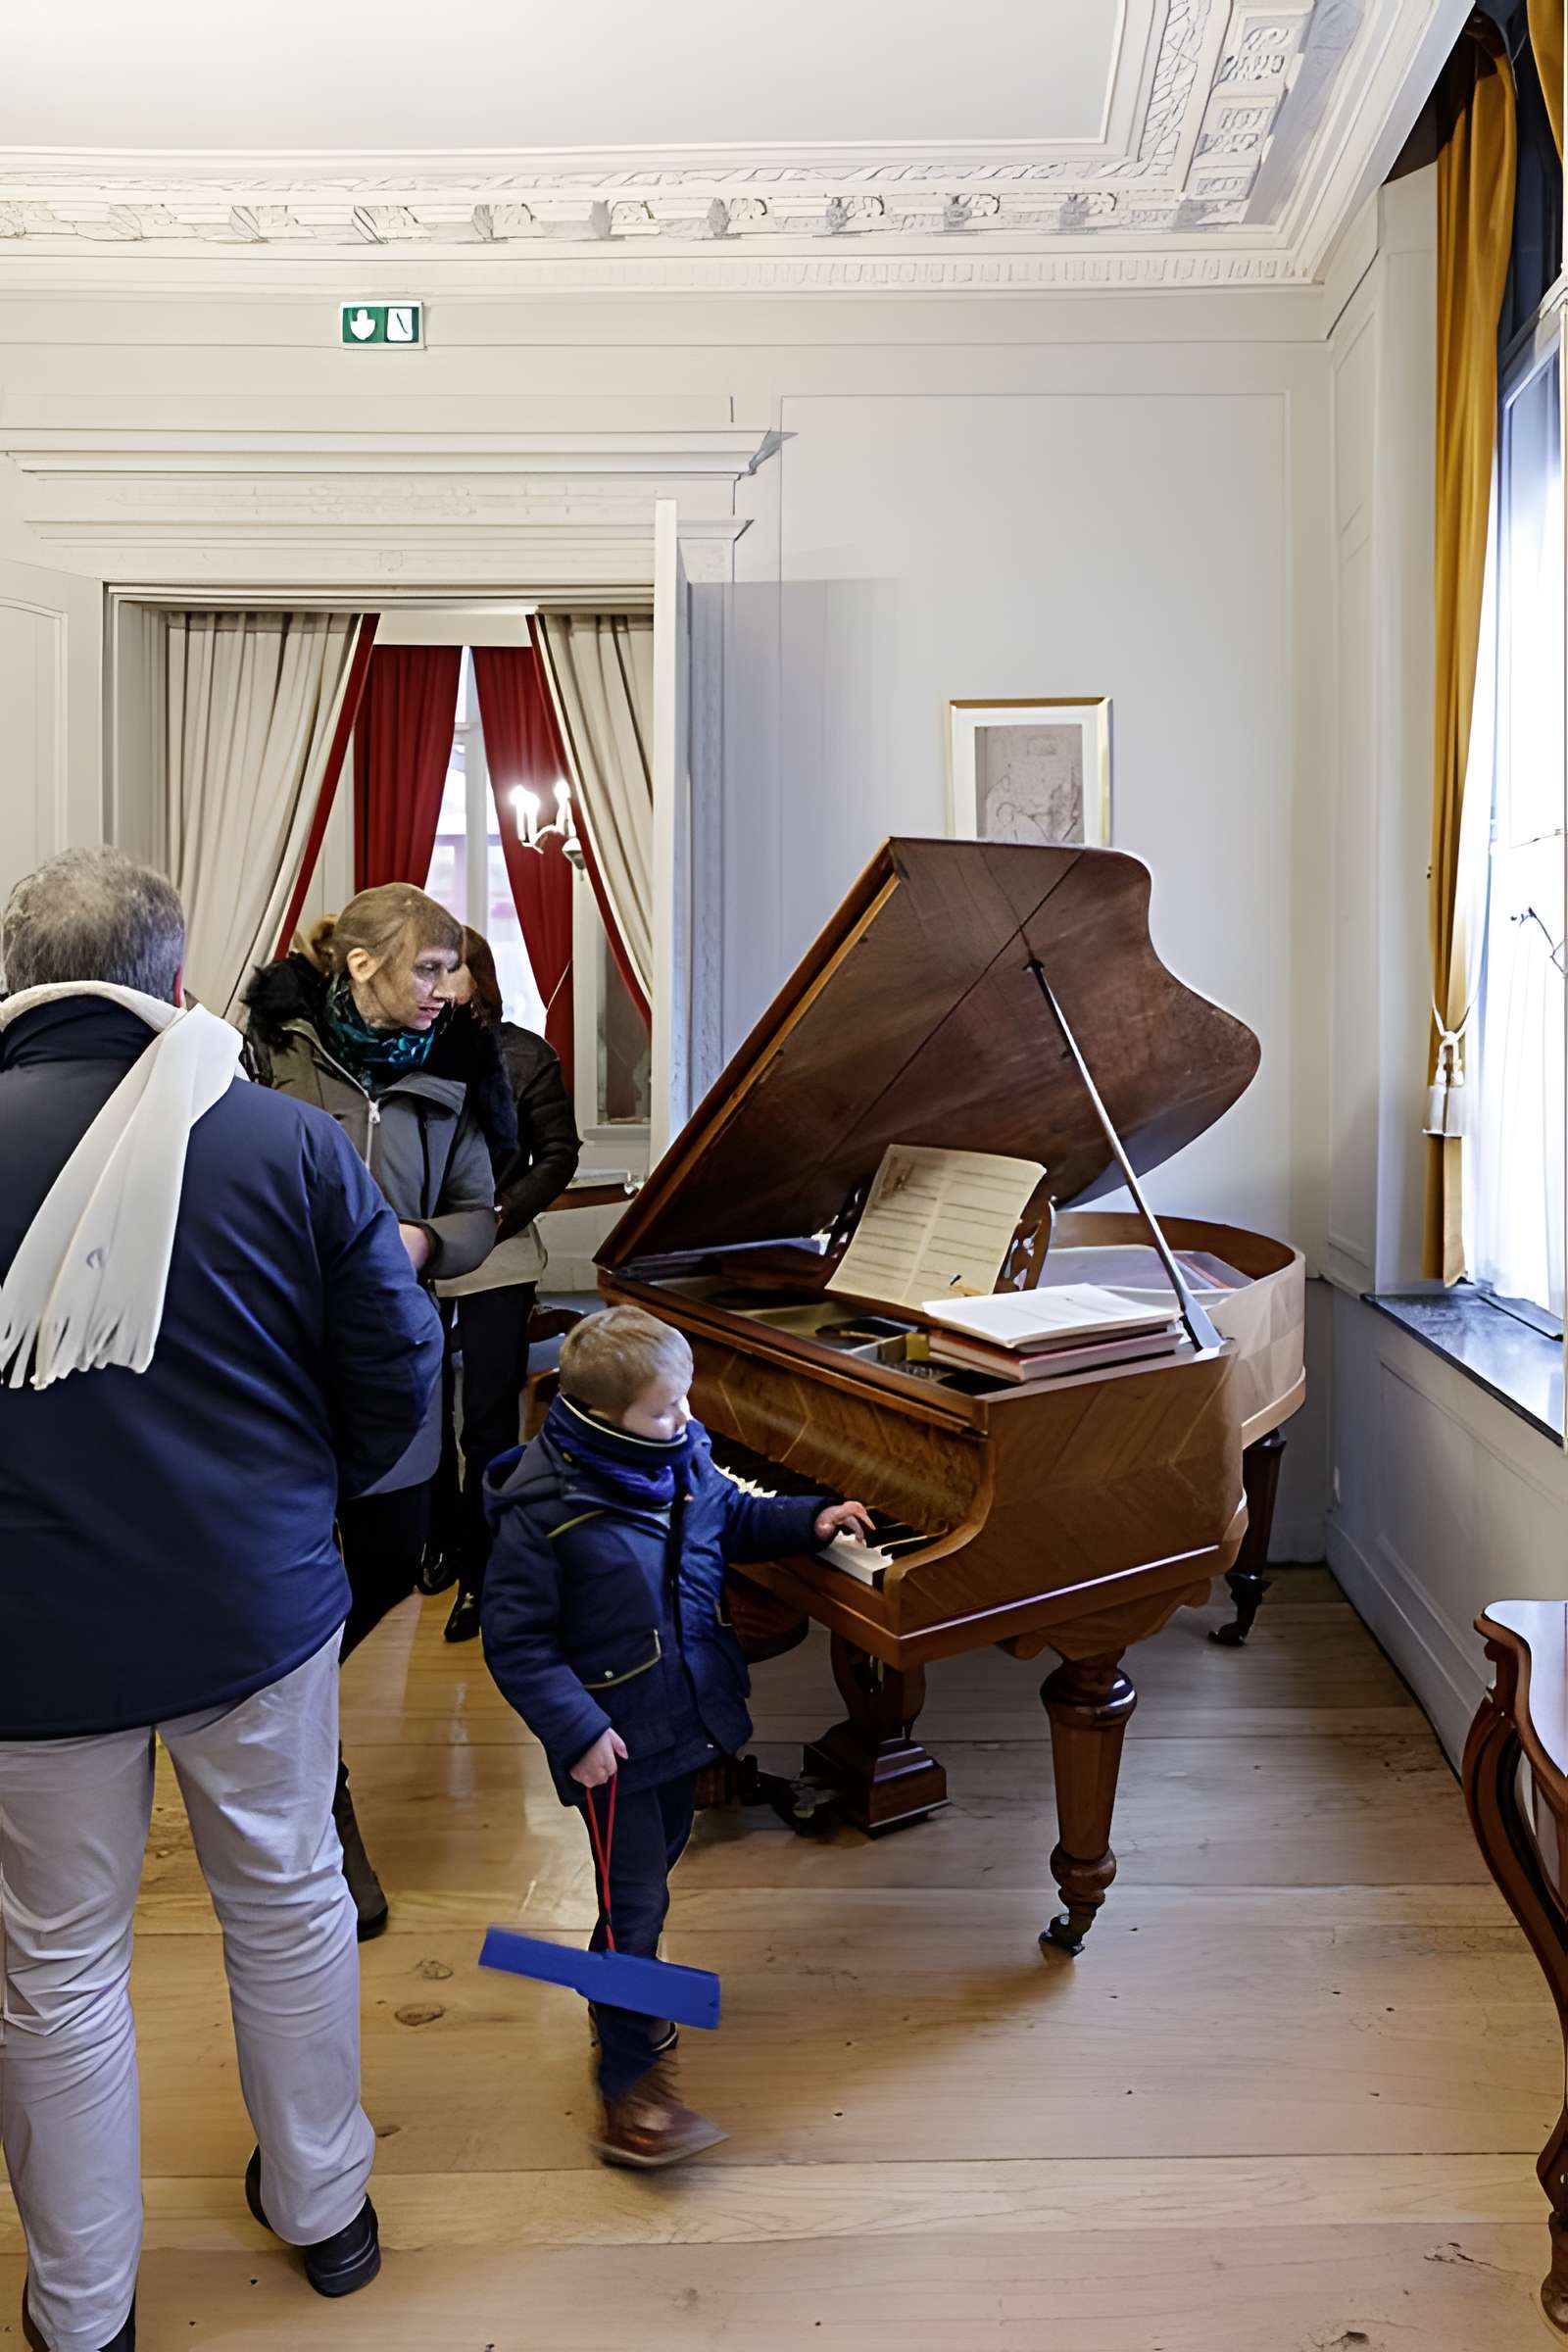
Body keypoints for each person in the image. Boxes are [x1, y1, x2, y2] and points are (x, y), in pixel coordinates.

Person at [0, 850, 443, 2352]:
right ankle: (327, 2209)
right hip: (250, 1603)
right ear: (174, 980)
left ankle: (82, 2312)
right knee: (290, 1896)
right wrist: (290, 1502)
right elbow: (401, 1375)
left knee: (55, 1966)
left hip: (25, 1631)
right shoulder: (289, 1143)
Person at [481, 1305, 873, 2168]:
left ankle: (615, 1987)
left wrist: (808, 1519)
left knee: (650, 1878)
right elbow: (515, 1644)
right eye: (666, 1409)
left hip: (686, 1720)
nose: (687, 1420)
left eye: (686, 1402)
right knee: (635, 1907)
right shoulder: (542, 1511)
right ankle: (629, 2083)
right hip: (612, 1745)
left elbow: (729, 1517)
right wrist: (577, 1730)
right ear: (597, 1413)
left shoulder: (682, 1459)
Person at [241, 883, 511, 1936]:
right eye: (430, 967)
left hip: (396, 1359)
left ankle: (280, 1688)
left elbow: (479, 1218)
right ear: (362, 966)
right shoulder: (266, 1047)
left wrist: (420, 1244)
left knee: (396, 1556)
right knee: (287, 1553)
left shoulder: (460, 1064)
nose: (449, 987)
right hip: (272, 1362)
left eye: (452, 967)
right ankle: (319, 1785)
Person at [427, 927, 580, 1643]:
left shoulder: (526, 1054)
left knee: (485, 1418)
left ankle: (482, 1574)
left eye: (444, 968)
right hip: (411, 1254)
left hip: (499, 1254)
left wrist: (498, 1213)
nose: (430, 982)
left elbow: (558, 1154)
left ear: (476, 975)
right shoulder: (397, 1045)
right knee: (420, 1411)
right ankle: (438, 1542)